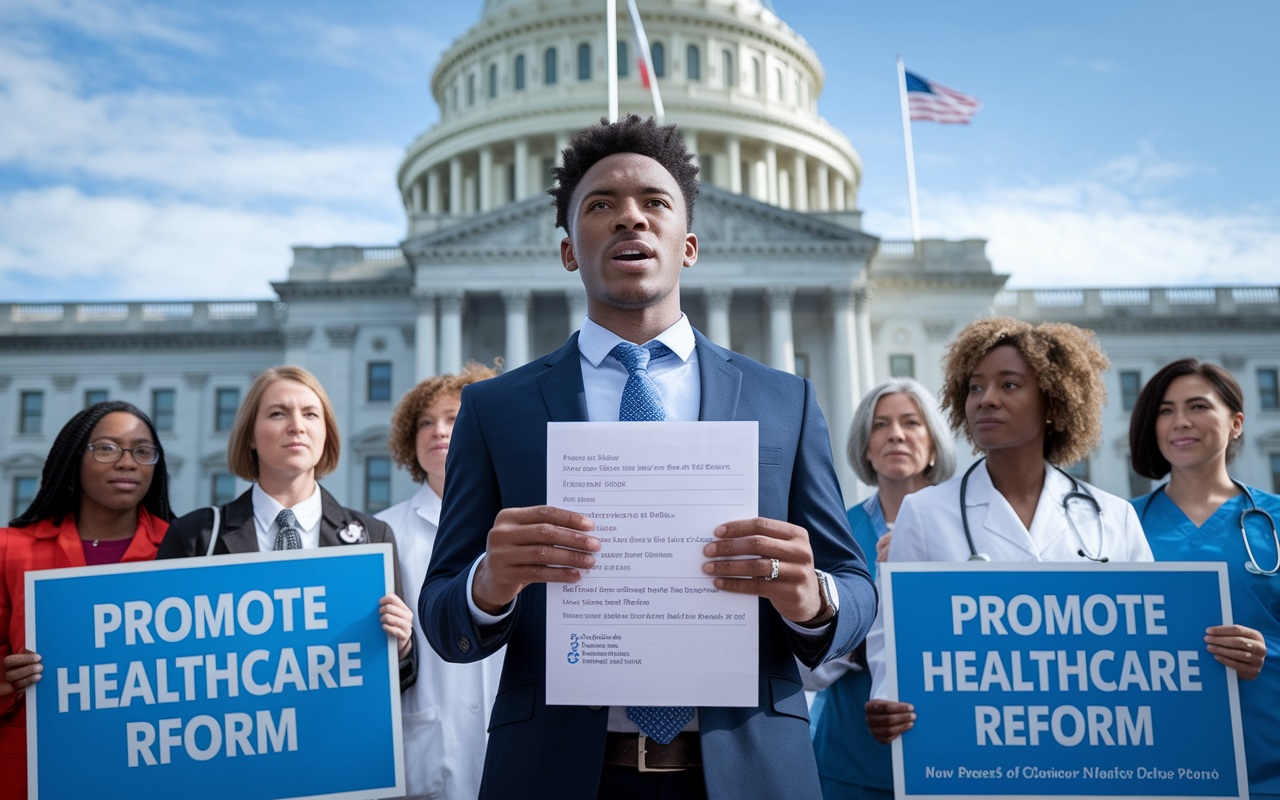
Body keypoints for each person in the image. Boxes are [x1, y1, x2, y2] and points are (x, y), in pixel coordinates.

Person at [419, 115, 876, 800]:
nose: (629, 219)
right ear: (569, 250)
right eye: (600, 205)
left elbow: (855, 585)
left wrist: (812, 597)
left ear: (688, 245)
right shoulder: (498, 410)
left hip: (751, 772)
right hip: (556, 773)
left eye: (654, 204)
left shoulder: (785, 400)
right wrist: (490, 582)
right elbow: (444, 616)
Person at [864, 317, 1153, 745]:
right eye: (976, 387)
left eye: (1009, 385)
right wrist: (887, 697)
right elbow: (892, 628)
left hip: (1090, 743)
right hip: (975, 746)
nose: (986, 400)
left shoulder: (1115, 516)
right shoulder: (923, 513)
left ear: (1054, 404)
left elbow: (1149, 637)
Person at [158, 365, 417, 690]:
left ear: (326, 433)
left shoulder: (372, 538)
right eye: (278, 414)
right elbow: (163, 665)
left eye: (311, 414)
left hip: (332, 733)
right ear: (250, 435)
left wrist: (402, 645)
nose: (297, 426)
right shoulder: (196, 536)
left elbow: (399, 681)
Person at [0, 401, 173, 799]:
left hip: (150, 773)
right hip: (34, 772)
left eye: (142, 451)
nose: (128, 462)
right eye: (108, 448)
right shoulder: (11, 550)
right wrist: (7, 678)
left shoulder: (183, 551)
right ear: (73, 458)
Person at [1128, 359, 1274, 796]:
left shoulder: (1275, 521)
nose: (1180, 422)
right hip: (1160, 769)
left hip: (1267, 763)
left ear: (1236, 423)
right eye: (1165, 410)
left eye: (1197, 406)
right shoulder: (1119, 525)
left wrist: (1266, 650)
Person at [809, 379, 955, 800]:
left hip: (952, 754)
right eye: (880, 425)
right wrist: (872, 604)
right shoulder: (833, 530)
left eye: (912, 422)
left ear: (933, 445)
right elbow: (807, 663)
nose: (896, 434)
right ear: (865, 447)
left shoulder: (966, 527)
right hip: (849, 760)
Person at [376, 363, 501, 800]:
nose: (438, 431)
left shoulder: (522, 523)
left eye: (454, 417)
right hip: (428, 748)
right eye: (425, 422)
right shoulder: (381, 532)